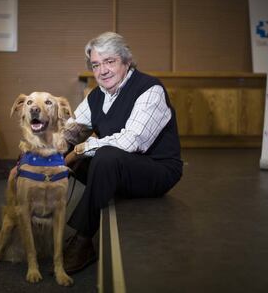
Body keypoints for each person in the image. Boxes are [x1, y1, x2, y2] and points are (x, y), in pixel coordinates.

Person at [62, 31, 183, 274]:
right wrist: (42, 153)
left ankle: (84, 240)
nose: (102, 70)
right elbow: (70, 130)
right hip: (123, 168)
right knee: (68, 158)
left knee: (103, 156)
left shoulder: (150, 89)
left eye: (110, 62)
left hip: (156, 170)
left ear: (126, 62)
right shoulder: (97, 95)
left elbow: (132, 141)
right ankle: (44, 224)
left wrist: (81, 149)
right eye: (96, 64)